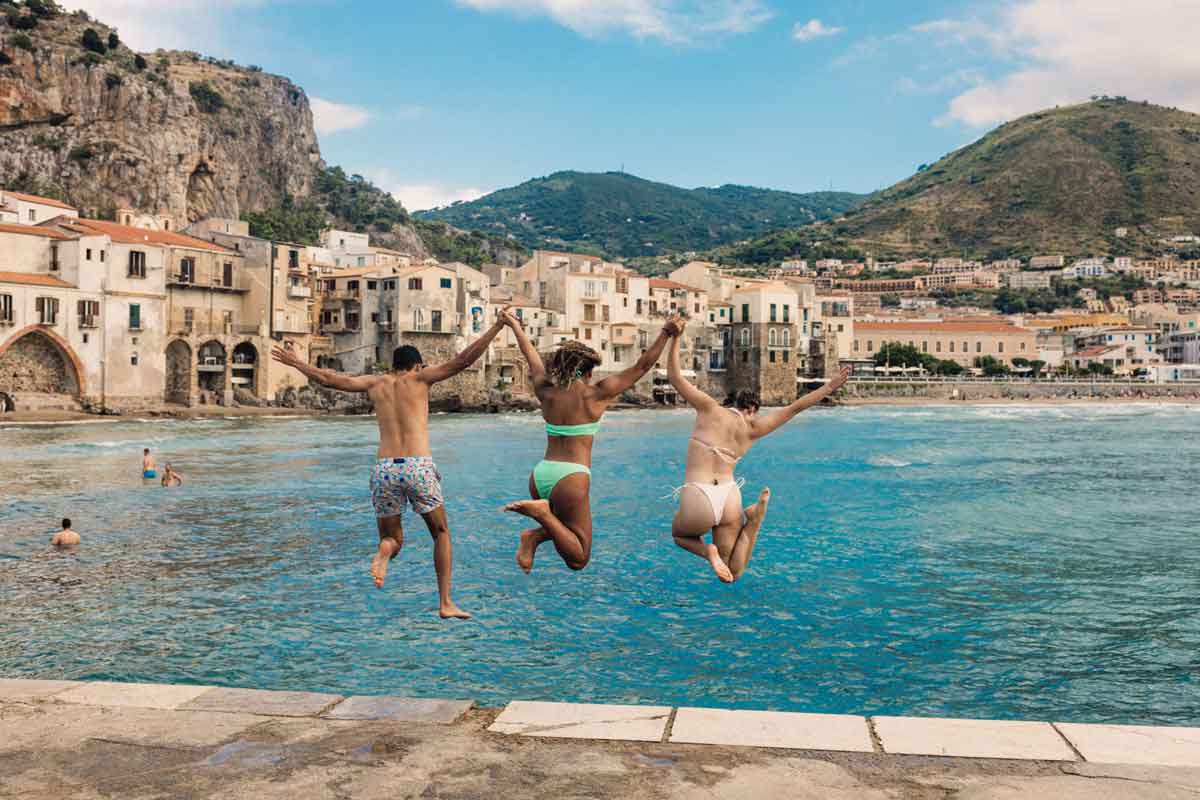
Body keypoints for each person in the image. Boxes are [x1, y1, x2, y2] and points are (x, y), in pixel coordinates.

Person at [270, 311, 510, 619]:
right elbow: (463, 360)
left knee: (393, 538)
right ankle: (445, 602)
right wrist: (497, 326)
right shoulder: (422, 378)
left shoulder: (375, 382)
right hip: (417, 466)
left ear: (392, 365)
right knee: (441, 534)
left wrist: (298, 363)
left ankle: (385, 550)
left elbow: (330, 379)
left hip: (385, 468)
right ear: (417, 366)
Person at [503, 309, 684, 573]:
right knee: (579, 557)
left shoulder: (547, 391)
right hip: (571, 477)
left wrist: (515, 327)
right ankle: (540, 516)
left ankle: (533, 536)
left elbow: (530, 356)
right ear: (588, 372)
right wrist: (666, 332)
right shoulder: (596, 394)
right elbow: (643, 365)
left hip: (541, 475)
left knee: (564, 527)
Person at [667, 333, 850, 582]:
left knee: (680, 536)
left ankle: (707, 551)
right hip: (730, 496)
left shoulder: (710, 408)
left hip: (700, 495)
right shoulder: (753, 429)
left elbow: (676, 378)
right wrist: (829, 386)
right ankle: (754, 519)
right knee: (732, 572)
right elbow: (796, 407)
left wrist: (675, 338)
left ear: (730, 402)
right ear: (752, 410)